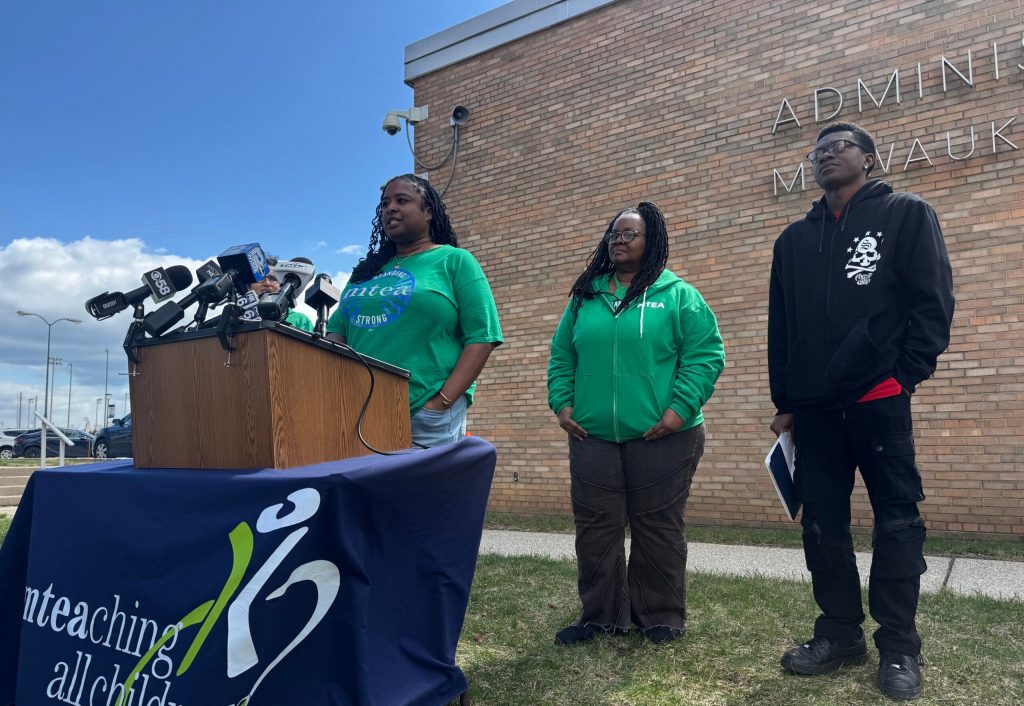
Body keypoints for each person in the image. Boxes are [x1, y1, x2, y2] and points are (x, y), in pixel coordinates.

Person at [768, 122, 954, 700]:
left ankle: (898, 647)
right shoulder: (792, 241)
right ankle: (840, 635)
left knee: (897, 523)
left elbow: (933, 301)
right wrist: (786, 402)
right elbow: (783, 326)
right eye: (818, 150)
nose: (826, 155)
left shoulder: (905, 214)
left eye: (839, 147)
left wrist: (904, 377)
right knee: (823, 526)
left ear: (868, 160)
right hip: (816, 412)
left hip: (879, 402)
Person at [547, 201, 724, 645]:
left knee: (657, 526)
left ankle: (660, 617)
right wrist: (563, 405)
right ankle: (600, 615)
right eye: (614, 234)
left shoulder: (678, 294)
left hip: (665, 434)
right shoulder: (586, 295)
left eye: (630, 234)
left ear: (653, 241)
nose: (618, 241)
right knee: (595, 526)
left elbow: (705, 355)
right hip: (593, 435)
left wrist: (678, 410)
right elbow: (562, 355)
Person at [326, 174, 502, 447]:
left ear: (428, 212)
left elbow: (483, 336)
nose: (390, 208)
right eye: (384, 204)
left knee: (422, 491)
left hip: (425, 413)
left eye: (402, 200)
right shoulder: (366, 272)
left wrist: (440, 403)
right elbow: (337, 331)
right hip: (359, 412)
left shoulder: (454, 261)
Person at [248, 257, 314, 332]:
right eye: (260, 278)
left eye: (273, 278)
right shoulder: (236, 316)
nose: (267, 283)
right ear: (249, 285)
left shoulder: (301, 320)